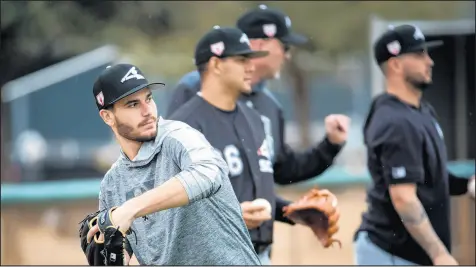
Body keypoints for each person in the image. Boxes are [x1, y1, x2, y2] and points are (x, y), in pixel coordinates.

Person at [166, 6, 350, 259]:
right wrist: (231, 214)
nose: (287, 55)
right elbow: (173, 191)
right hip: (210, 252)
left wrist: (289, 209)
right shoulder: (192, 100)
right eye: (284, 46)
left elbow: (271, 173)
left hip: (258, 251)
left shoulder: (261, 110)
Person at [85, 63, 261, 265]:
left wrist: (131, 209)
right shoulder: (112, 185)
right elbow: (117, 254)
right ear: (108, 116)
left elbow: (208, 173)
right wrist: (108, 255)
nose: (147, 110)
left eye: (148, 98)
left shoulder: (177, 137)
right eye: (133, 104)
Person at [353, 24, 476, 266]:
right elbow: (404, 198)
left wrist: (466, 183)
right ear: (396, 64)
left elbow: (430, 177)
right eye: (419, 54)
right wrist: (439, 254)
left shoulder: (420, 111)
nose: (429, 61)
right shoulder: (395, 121)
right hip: (391, 255)